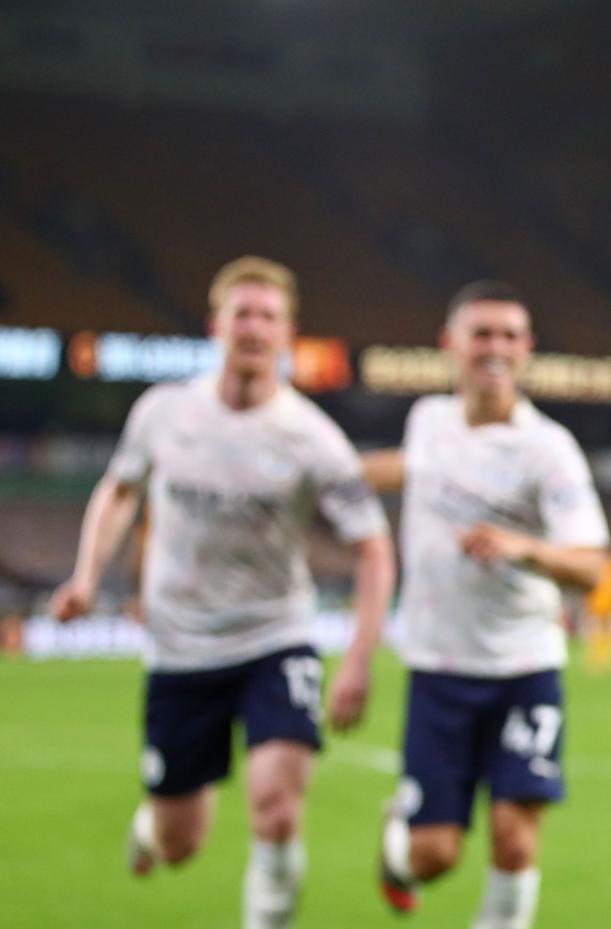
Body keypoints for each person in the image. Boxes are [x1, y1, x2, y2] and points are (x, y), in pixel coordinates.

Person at [51, 256, 396, 929]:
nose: (255, 327)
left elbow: (374, 546)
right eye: (243, 313)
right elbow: (121, 488)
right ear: (217, 324)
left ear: (288, 332)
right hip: (181, 647)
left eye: (269, 316)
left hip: (276, 637)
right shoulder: (163, 412)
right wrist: (88, 574)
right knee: (181, 841)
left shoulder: (314, 438)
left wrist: (357, 656)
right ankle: (154, 828)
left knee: (276, 806)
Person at [363, 281, 609, 928]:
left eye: (508, 335)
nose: (494, 347)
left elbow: (590, 564)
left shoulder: (549, 449)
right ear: (451, 344)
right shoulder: (427, 421)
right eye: (481, 334)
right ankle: (399, 845)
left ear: (526, 348)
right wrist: (335, 474)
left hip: (523, 666)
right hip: (439, 669)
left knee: (515, 837)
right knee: (433, 855)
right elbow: (412, 469)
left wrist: (520, 547)